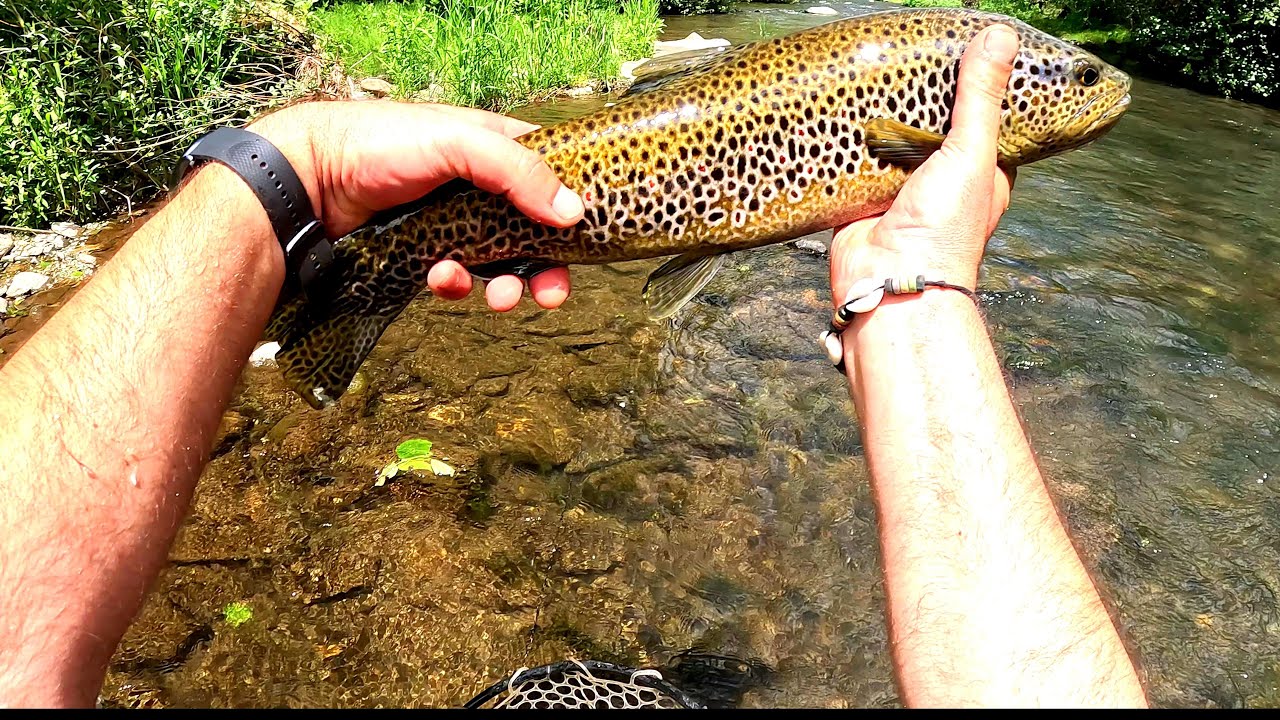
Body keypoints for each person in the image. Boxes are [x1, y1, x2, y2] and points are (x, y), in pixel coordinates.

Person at [0, 24, 1147, 708]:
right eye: (1080, 78)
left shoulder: (926, 84)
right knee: (416, 261)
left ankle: (314, 283)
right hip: (615, 198)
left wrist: (288, 170)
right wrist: (923, 287)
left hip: (615, 203)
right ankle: (340, 296)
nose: (1101, 93)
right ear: (1005, 92)